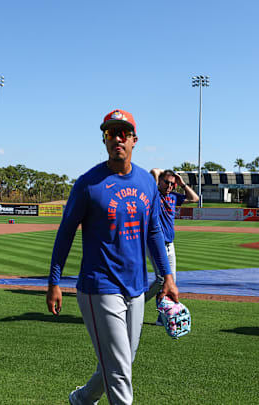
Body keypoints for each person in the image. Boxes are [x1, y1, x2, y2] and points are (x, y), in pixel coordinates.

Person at [46, 109, 179, 405]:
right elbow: (66, 232)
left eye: (123, 133)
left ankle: (81, 399)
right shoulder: (88, 184)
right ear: (104, 140)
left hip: (136, 287)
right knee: (119, 372)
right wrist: (54, 281)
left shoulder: (146, 182)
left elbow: (155, 232)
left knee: (121, 364)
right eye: (111, 133)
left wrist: (167, 277)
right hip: (99, 287)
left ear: (134, 140)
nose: (117, 138)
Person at [144, 169, 198, 322]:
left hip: (170, 244)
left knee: (170, 282)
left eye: (171, 184)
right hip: (155, 244)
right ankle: (136, 303)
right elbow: (154, 171)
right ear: (159, 182)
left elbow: (194, 198)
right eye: (166, 182)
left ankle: (162, 317)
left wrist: (182, 183)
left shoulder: (174, 196)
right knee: (162, 279)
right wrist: (159, 175)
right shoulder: (154, 195)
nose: (169, 186)